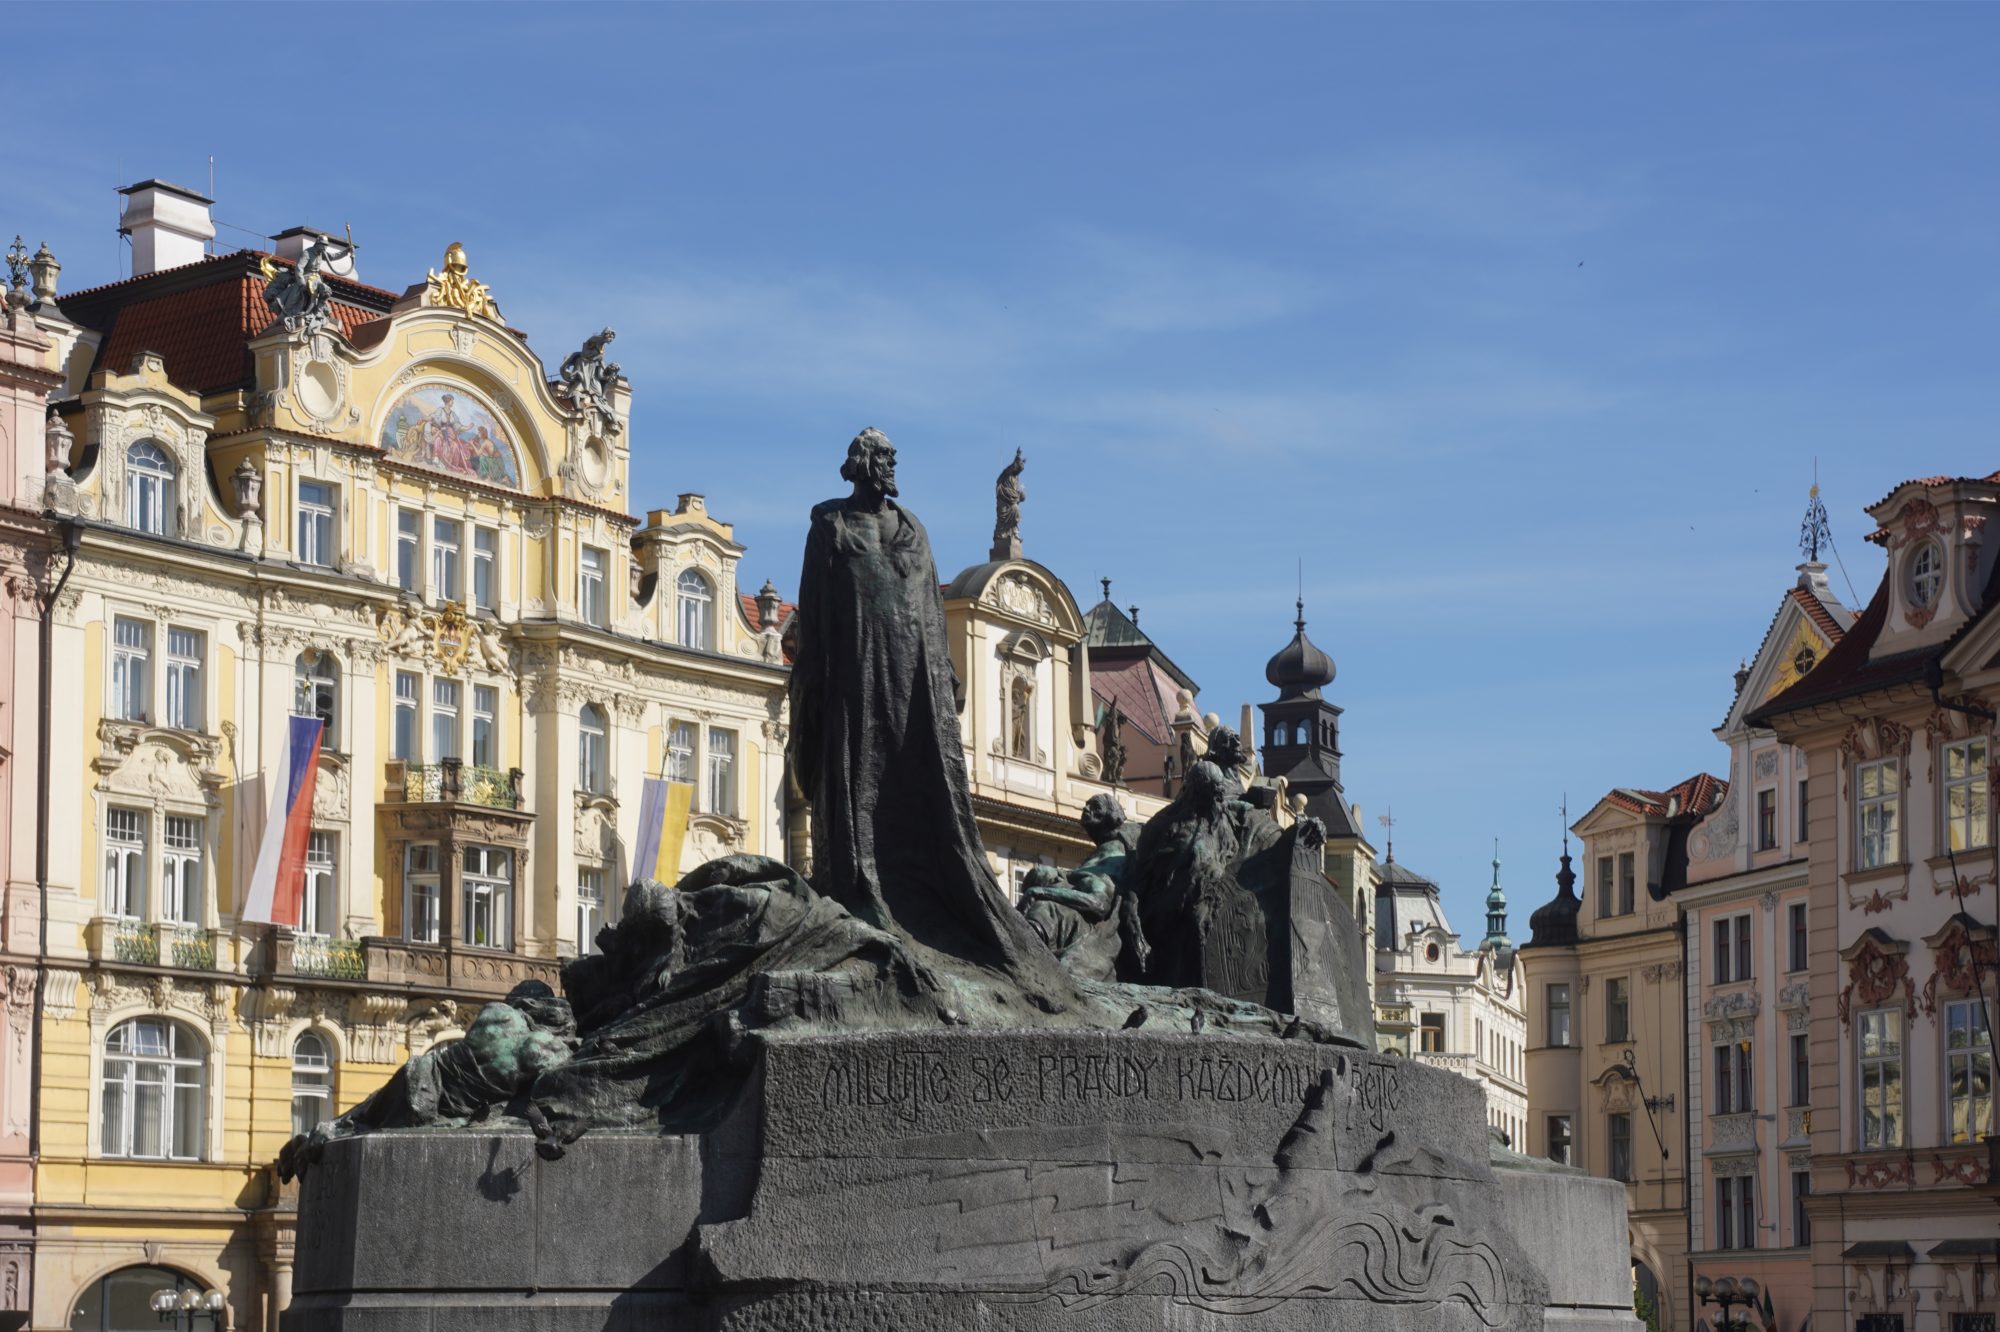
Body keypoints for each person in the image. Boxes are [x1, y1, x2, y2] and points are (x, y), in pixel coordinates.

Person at [789, 428, 1062, 986]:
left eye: (893, 458)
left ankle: (928, 902)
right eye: (883, 458)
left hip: (912, 683)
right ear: (862, 466)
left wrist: (944, 674)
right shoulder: (830, 526)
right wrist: (810, 686)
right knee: (856, 784)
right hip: (854, 677)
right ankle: (864, 889)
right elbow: (813, 613)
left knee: (922, 787)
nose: (891, 466)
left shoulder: (913, 528)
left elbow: (931, 611)